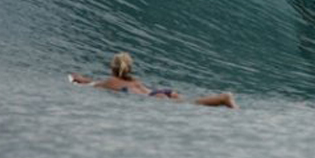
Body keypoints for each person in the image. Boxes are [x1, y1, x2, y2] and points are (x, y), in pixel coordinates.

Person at [70, 52, 238, 108]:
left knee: (193, 104)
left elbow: (92, 84)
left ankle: (224, 98)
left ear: (112, 67)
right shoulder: (133, 80)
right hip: (161, 92)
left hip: (155, 97)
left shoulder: (109, 82)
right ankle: (230, 104)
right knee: (191, 102)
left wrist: (78, 80)